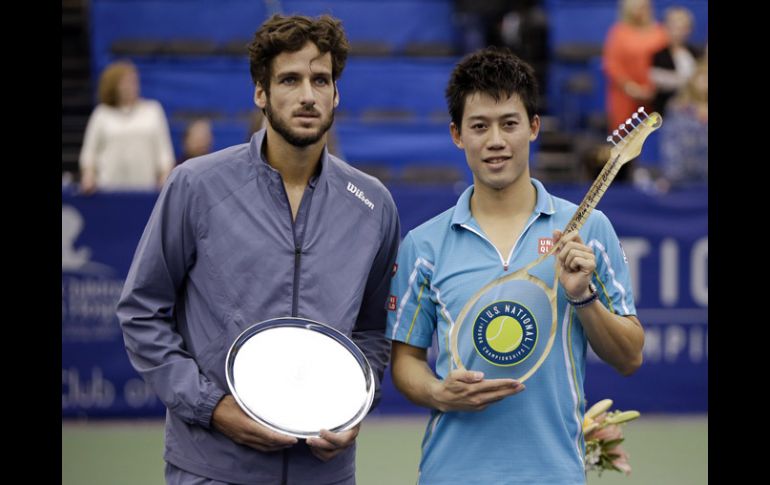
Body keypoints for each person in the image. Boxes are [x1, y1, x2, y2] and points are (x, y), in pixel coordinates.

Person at [116, 14, 400, 485]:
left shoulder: (373, 205)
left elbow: (373, 331)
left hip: (324, 474)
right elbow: (141, 312)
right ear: (261, 93)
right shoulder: (196, 186)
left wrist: (355, 405)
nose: (308, 95)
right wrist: (212, 407)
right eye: (290, 79)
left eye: (321, 80)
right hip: (212, 468)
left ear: (336, 94)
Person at [386, 47, 644, 484]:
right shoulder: (424, 244)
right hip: (451, 473)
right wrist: (438, 391)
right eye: (479, 126)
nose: (496, 141)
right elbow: (405, 360)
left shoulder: (588, 230)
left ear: (534, 127)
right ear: (456, 134)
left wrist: (583, 298)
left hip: (554, 473)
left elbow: (630, 355)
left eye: (509, 123)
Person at [79, 60, 175, 193]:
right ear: (113, 85)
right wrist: (88, 176)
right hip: (108, 191)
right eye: (125, 82)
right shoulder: (101, 114)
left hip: (145, 191)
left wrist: (165, 177)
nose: (131, 86)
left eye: (133, 81)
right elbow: (88, 154)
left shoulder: (153, 110)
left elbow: (165, 153)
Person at [602, 0, 668, 137]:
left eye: (644, 7)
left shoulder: (660, 32)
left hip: (654, 95)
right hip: (625, 96)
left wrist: (652, 90)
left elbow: (666, 61)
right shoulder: (619, 32)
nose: (640, 12)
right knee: (624, 140)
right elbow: (612, 64)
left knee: (652, 138)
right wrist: (631, 88)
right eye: (636, 8)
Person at [650, 6, 701, 116]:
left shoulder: (696, 54)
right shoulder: (657, 56)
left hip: (696, 113)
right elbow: (657, 82)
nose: (678, 32)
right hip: (667, 113)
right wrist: (691, 81)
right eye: (674, 27)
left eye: (683, 28)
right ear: (665, 28)